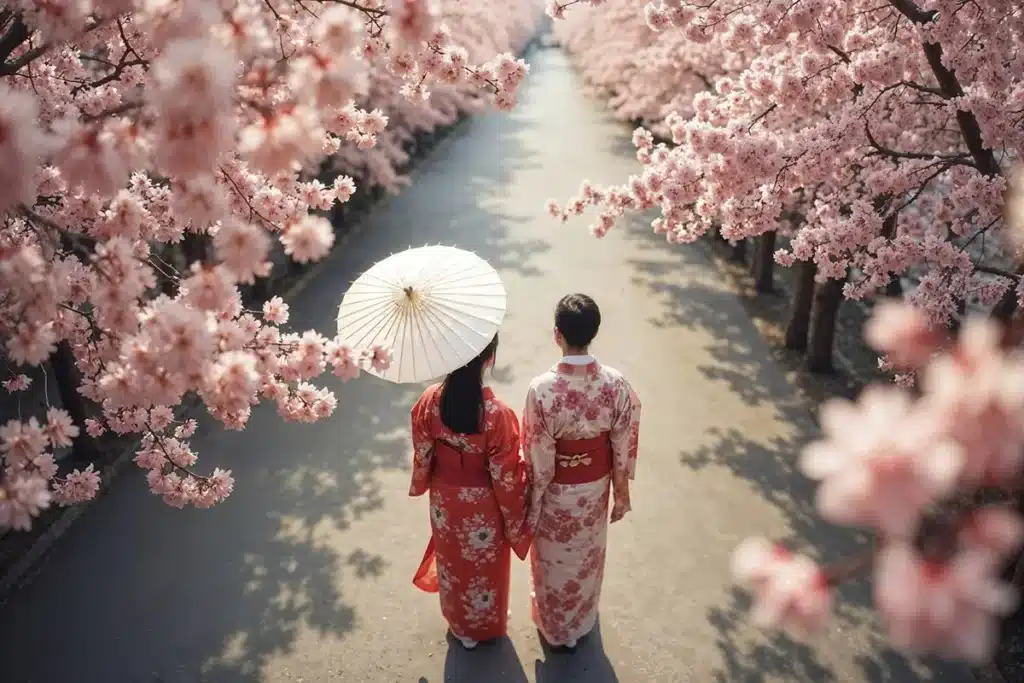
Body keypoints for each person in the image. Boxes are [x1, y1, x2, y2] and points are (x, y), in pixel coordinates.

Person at [521, 294, 642, 650]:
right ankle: (580, 620)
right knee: (585, 556)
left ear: (556, 334)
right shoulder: (615, 384)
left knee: (555, 559)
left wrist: (532, 498)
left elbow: (537, 455)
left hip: (556, 490)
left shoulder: (541, 389)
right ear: (595, 332)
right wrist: (621, 490)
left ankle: (555, 627)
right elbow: (624, 442)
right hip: (594, 488)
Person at [408, 334, 532, 650]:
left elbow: (423, 451)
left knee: (453, 561)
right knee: (483, 566)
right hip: (484, 505)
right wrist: (518, 513)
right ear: (489, 358)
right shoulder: (496, 414)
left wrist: (425, 479)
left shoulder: (430, 399)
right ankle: (484, 626)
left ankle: (458, 623)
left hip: (445, 500)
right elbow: (507, 477)